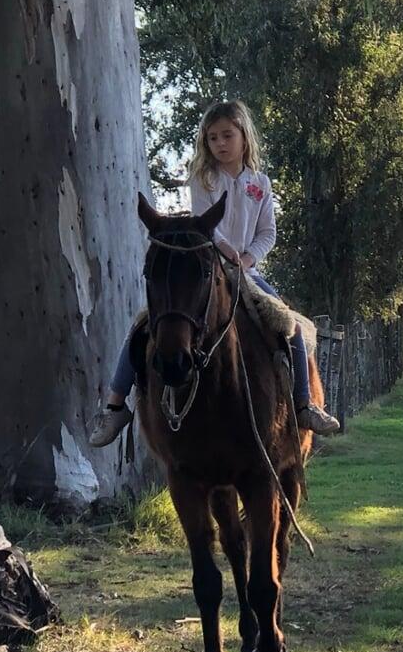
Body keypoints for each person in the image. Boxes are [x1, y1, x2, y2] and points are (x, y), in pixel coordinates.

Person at [88, 101, 341, 447]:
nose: (220, 144)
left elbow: (268, 231)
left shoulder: (260, 183)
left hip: (249, 272)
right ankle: (115, 406)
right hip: (205, 268)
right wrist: (226, 253)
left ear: (244, 137)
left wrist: (249, 258)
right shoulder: (203, 178)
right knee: (143, 327)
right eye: (212, 138)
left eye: (227, 135)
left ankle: (304, 404)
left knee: (289, 324)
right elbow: (206, 224)